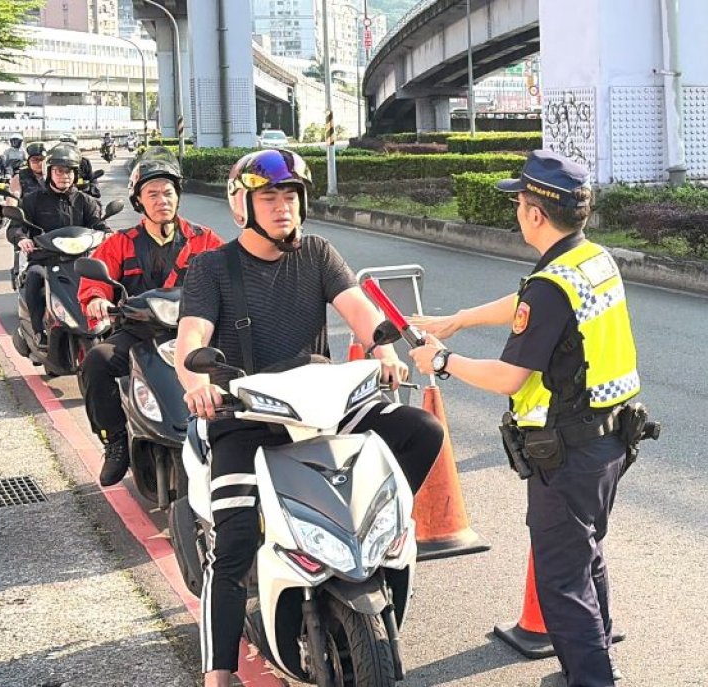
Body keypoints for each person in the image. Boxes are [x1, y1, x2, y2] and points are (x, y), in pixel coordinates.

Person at [173, 148, 444, 687]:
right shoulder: (211, 267)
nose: (283, 207)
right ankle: (218, 673)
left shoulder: (317, 253)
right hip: (243, 414)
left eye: (291, 196)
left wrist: (383, 352)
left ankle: (370, 536)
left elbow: (360, 310)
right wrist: (199, 385)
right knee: (231, 548)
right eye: (269, 197)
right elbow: (191, 340)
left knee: (421, 431)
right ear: (242, 206)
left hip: (320, 405)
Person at [409, 150, 643, 687]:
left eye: (519, 201)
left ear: (535, 214)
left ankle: (592, 679)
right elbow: (528, 302)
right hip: (610, 441)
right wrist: (460, 320)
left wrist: (441, 360)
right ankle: (595, 664)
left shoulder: (552, 284)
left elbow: (509, 377)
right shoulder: (591, 260)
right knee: (586, 559)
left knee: (561, 582)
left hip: (569, 452)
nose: (516, 209)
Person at [78, 153, 223, 486]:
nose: (162, 200)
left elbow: (233, 275)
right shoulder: (120, 243)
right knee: (97, 362)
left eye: (168, 192)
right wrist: (98, 300)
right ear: (139, 201)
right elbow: (94, 284)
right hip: (138, 333)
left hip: (196, 333)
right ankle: (114, 441)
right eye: (153, 194)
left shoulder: (205, 240)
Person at [8, 143, 106, 347]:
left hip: (81, 261)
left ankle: (108, 326)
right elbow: (16, 227)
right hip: (44, 259)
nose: (65, 176)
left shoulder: (85, 201)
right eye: (60, 171)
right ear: (49, 171)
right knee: (33, 282)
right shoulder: (33, 200)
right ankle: (38, 332)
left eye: (69, 171)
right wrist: (22, 239)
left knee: (109, 280)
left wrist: (109, 236)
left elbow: (100, 225)